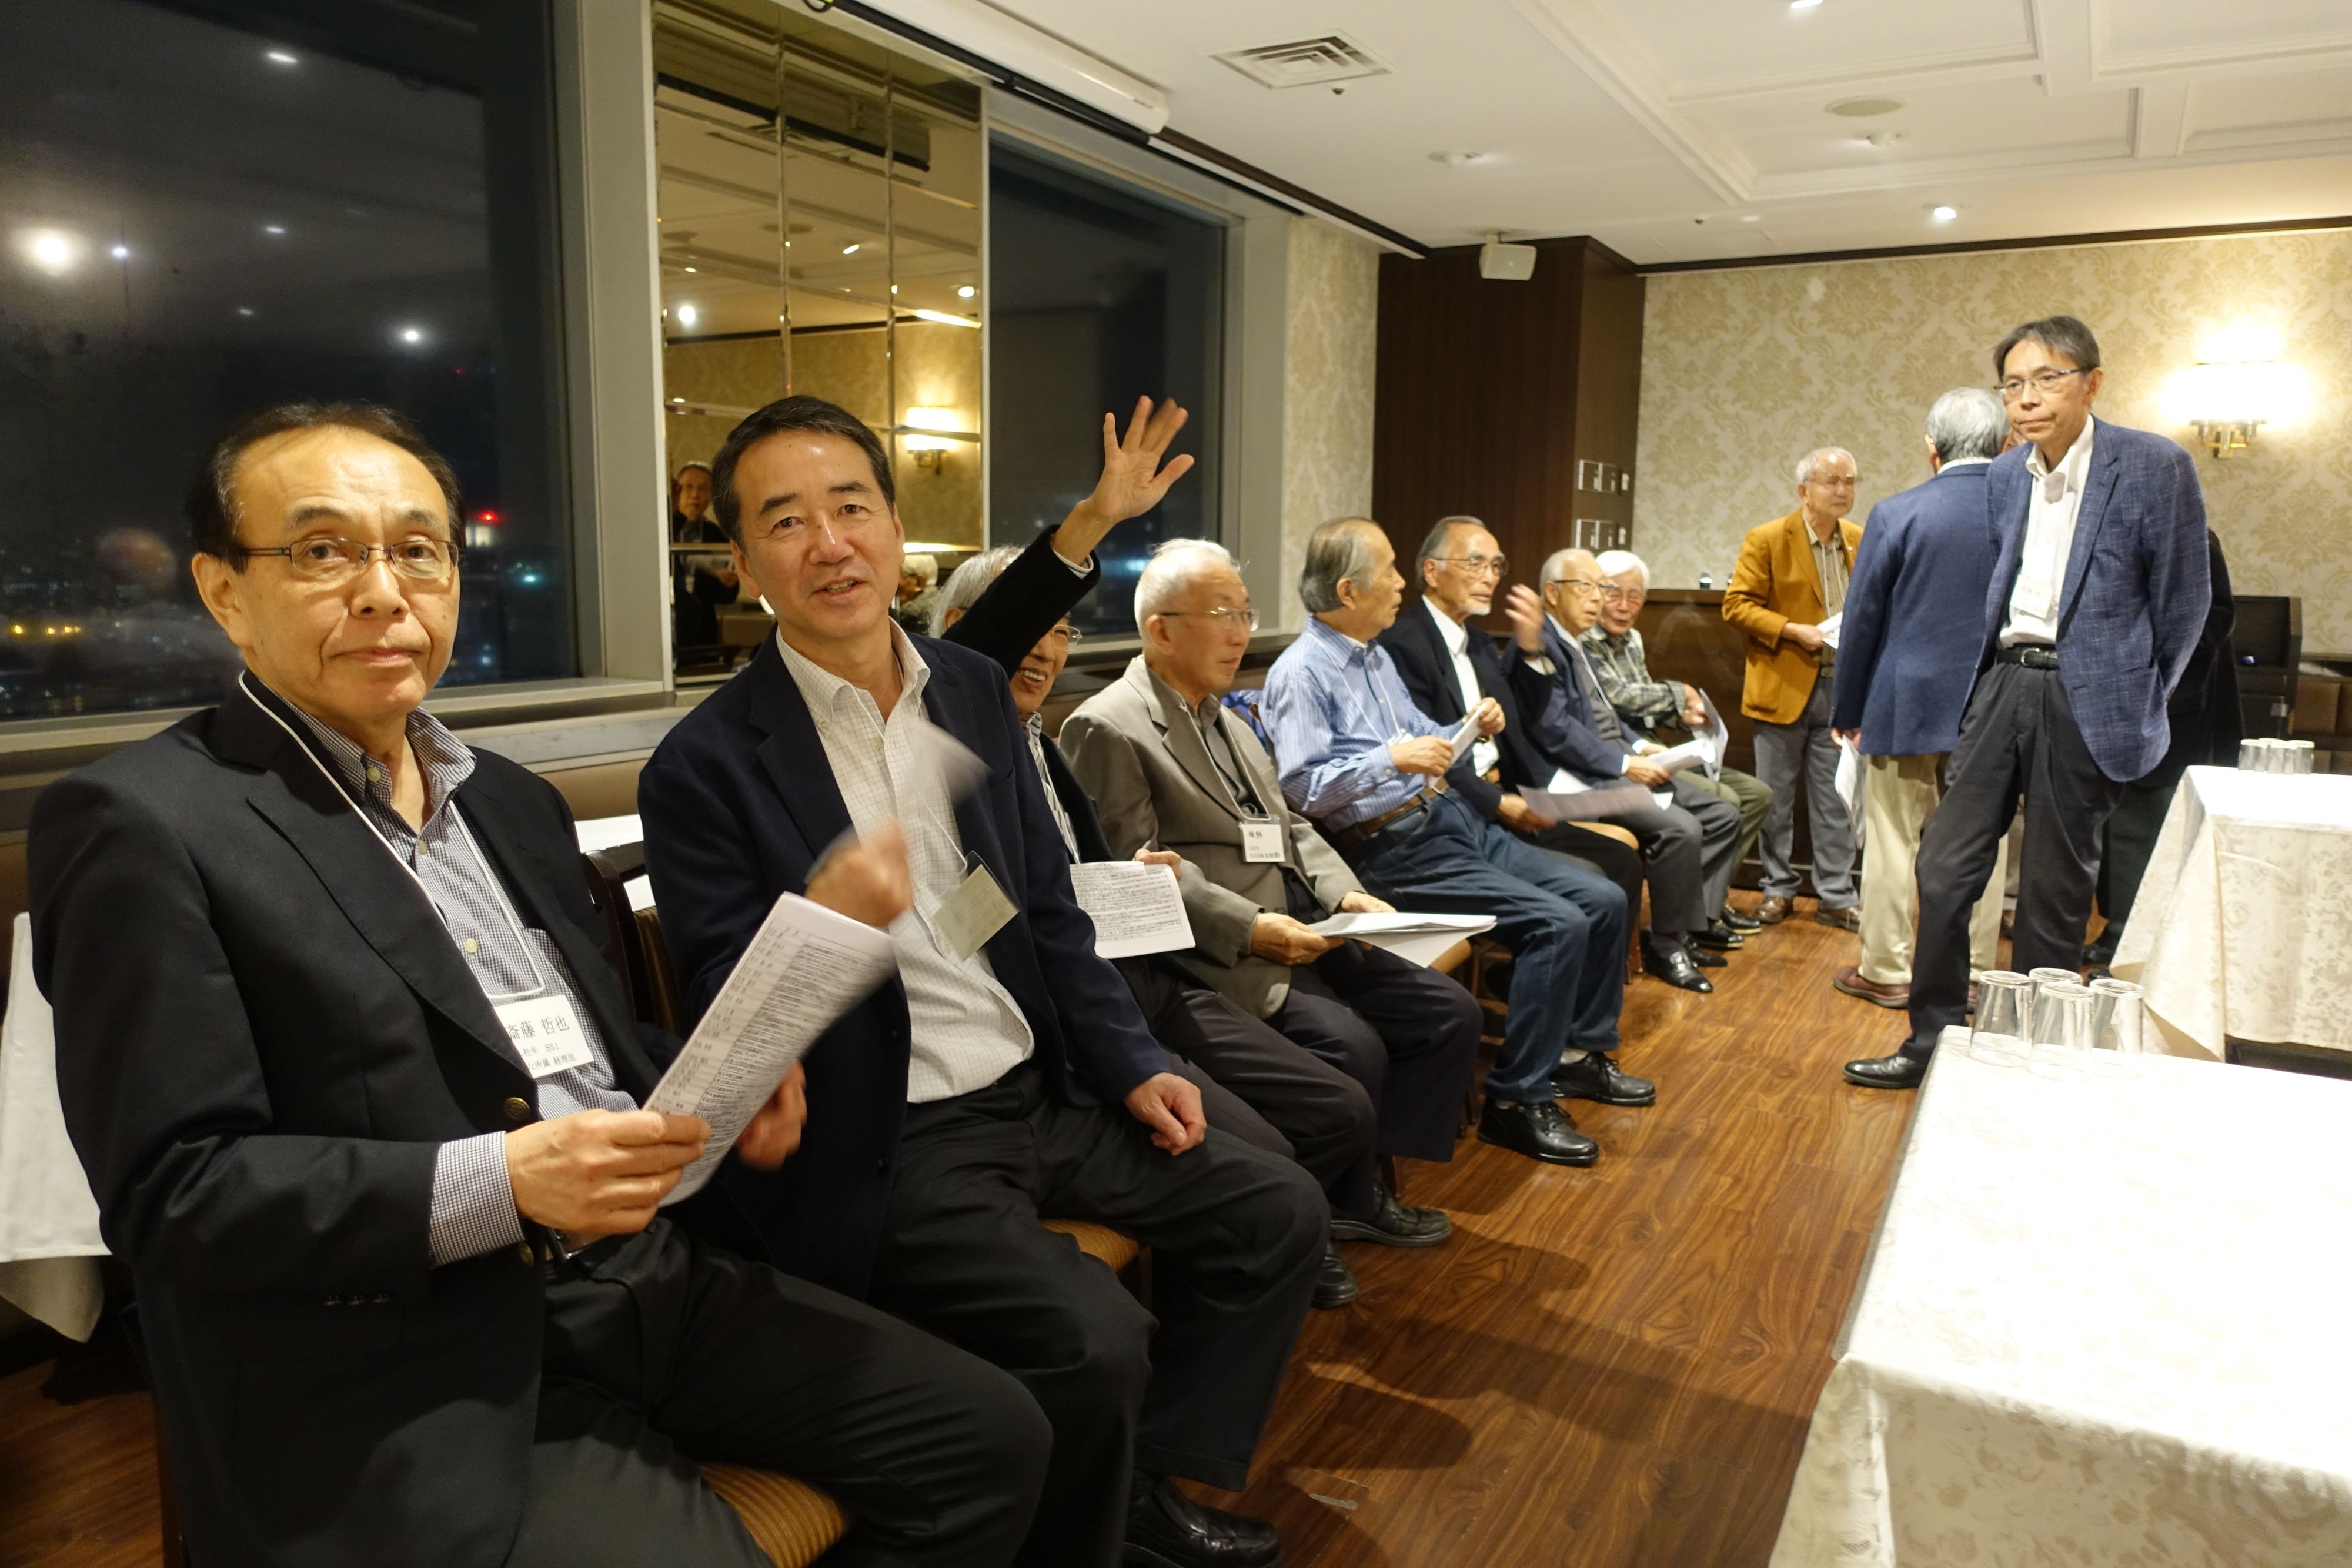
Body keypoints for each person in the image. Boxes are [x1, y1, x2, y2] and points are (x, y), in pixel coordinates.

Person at [31, 402, 1050, 1568]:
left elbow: (584, 1050)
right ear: (224, 591)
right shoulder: (145, 823)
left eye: (418, 549)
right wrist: (502, 1183)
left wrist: (721, 1081)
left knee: (994, 1438)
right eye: (322, 550)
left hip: (641, 1270)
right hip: (407, 1349)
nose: (383, 591)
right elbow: (173, 1194)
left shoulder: (509, 800)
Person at [637, 395, 1324, 1568]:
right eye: (786, 522)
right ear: (742, 561)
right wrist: (826, 917)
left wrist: (1131, 1061)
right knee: (1095, 1336)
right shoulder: (703, 764)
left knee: (1280, 1211)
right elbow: (722, 998)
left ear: (897, 530)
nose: (829, 544)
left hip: (1039, 1087)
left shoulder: (964, 689)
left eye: (851, 507)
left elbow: (1041, 907)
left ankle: (1136, 1487)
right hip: (896, 1132)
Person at [934, 540, 1389, 1315]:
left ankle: (1298, 1239)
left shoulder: (1039, 740)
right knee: (1270, 1153)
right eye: (1030, 626)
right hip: (1065, 1014)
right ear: (958, 632)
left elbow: (1086, 873)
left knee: (1338, 1101)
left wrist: (1133, 884)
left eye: (1062, 630)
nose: (1046, 649)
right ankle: (1255, 1265)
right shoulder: (951, 758)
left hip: (1141, 967)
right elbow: (969, 920)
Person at [1056, 539, 1479, 1245]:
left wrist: (1345, 894)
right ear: (1161, 630)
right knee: (1352, 1046)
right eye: (1223, 614)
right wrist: (1251, 927)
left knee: (1446, 1011)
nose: (1241, 634)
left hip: (1300, 914)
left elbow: (1288, 825)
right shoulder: (1108, 724)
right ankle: (1337, 1203)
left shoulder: (1225, 716)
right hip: (1217, 949)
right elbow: (1134, 875)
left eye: (1246, 615)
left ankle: (1362, 1177)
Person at [1847, 315, 2213, 1089]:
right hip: (2004, 680)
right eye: (2012, 384)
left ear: (2092, 382)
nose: (2027, 398)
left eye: (2047, 378)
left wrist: (2141, 697)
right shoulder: (2008, 475)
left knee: (2052, 888)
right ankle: (1931, 1039)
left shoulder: (2153, 464)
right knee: (1944, 866)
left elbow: (2185, 603)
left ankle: (2031, 1061)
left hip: (2089, 694)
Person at [1258, 517, 1645, 1168]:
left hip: (1449, 821)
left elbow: (1423, 736)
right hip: (1392, 848)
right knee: (1558, 924)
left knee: (1603, 898)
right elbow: (1300, 789)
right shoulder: (1302, 672)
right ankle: (1515, 1101)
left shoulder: (1374, 655)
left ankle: (1576, 1054)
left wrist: (1466, 725)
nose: (1400, 583)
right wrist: (1391, 759)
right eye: (1388, 571)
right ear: (1349, 591)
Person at [1371, 516, 1648, 942]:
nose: (1490, 578)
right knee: (1593, 885)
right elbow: (1431, 755)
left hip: (1511, 795)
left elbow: (1524, 720)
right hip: (1461, 808)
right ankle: (1541, 966)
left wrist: (1532, 650)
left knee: (1622, 863)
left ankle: (1574, 974)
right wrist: (1499, 803)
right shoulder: (1404, 645)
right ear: (1432, 571)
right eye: (1475, 564)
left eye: (1496, 566)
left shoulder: (1480, 642)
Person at [1827, 389, 2015, 1010]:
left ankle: (1885, 968)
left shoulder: (1896, 512)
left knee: (1891, 840)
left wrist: (1847, 709)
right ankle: (1977, 972)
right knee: (1983, 842)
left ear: (1931, 449)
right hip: (1993, 701)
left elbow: (1862, 620)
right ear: (2005, 445)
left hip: (1903, 700)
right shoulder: (2026, 512)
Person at [1518, 546, 1746, 992]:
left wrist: (1640, 747)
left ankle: (1684, 928)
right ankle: (1666, 946)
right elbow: (1557, 732)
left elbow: (1608, 713)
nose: (1597, 599)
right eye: (1587, 587)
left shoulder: (1575, 641)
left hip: (1616, 758)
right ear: (1551, 593)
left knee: (1723, 814)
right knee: (1681, 829)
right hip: (1581, 778)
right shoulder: (1540, 646)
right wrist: (1626, 763)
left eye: (1598, 588)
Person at [1583, 548, 1769, 936]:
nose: (1624, 606)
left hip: (1650, 743)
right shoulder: (1584, 639)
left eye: (1635, 596)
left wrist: (1680, 716)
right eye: (1613, 593)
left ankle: (1710, 904)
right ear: (1595, 592)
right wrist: (1677, 694)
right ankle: (1694, 920)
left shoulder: (1632, 638)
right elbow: (1618, 698)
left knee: (1757, 795)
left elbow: (1642, 704)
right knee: (1725, 801)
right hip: (1622, 754)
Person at [1723, 447, 1863, 929]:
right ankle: (1777, 889)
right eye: (1832, 482)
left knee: (1835, 801)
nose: (1843, 490)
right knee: (1775, 799)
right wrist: (1790, 630)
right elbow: (1736, 606)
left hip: (1838, 689)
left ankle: (1836, 895)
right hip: (1783, 686)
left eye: (1850, 481)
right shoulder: (1768, 538)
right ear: (1804, 491)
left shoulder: (1859, 539)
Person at [2089, 529, 2239, 967]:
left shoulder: (2195, 539)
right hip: (2117, 702)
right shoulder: (2114, 531)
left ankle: (2140, 945)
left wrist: (2142, 646)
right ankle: (2118, 932)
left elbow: (2217, 619)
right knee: (2117, 827)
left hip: (2173, 705)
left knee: (2147, 824)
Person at [671, 460, 737, 651]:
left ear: (710, 497)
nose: (694, 495)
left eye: (702, 489)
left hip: (703, 632)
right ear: (676, 492)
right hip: (666, 624)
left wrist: (727, 583)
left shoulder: (717, 535)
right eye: (688, 487)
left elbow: (728, 596)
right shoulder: (665, 529)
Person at [892, 551, 938, 634]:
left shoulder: (911, 616)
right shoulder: (942, 603)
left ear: (919, 582)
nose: (890, 582)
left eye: (896, 574)